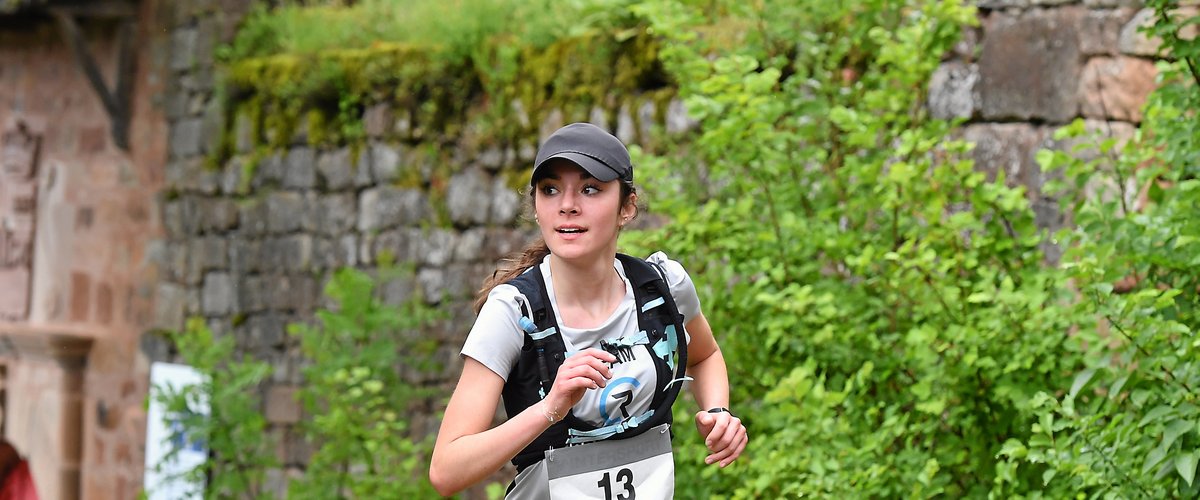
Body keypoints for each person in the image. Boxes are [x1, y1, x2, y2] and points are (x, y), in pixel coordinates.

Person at [429, 122, 747, 498]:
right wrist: (552, 407)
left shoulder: (663, 287)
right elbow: (446, 471)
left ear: (626, 207)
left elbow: (705, 354)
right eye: (550, 190)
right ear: (536, 207)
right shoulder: (514, 311)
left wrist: (718, 413)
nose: (567, 205)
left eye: (590, 189)